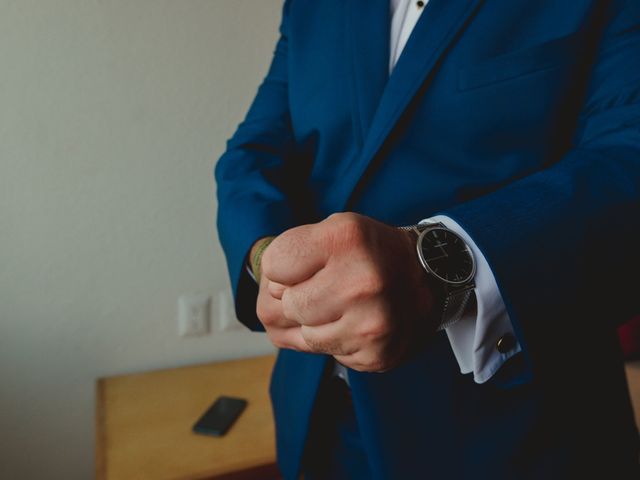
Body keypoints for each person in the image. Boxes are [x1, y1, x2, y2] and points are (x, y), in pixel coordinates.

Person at [215, 0, 640, 478]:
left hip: (515, 435)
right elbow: (254, 152)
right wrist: (267, 256)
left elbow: (628, 154)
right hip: (317, 419)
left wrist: (436, 270)